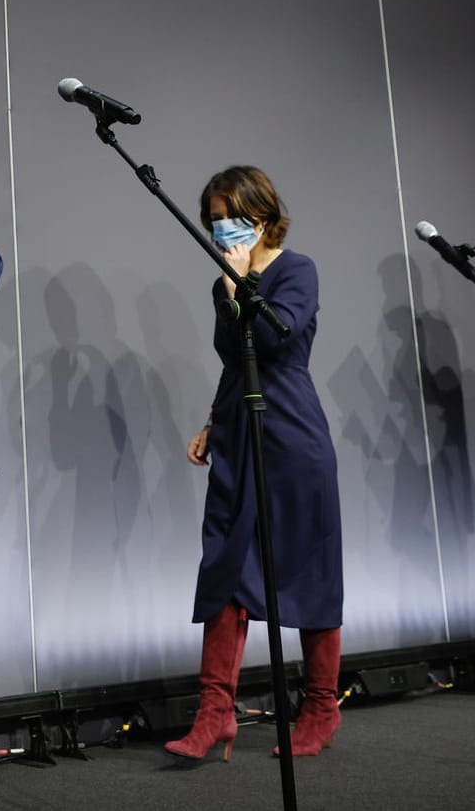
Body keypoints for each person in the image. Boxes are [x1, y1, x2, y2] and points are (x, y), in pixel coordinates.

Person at [168, 166, 345, 762]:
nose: (221, 227)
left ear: (263, 214)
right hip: (240, 429)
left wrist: (241, 286)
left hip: (293, 433)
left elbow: (274, 338)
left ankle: (321, 709)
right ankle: (215, 711)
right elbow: (233, 357)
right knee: (225, 566)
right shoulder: (224, 278)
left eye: (231, 214)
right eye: (214, 217)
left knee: (310, 567)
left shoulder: (296, 269)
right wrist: (216, 421)